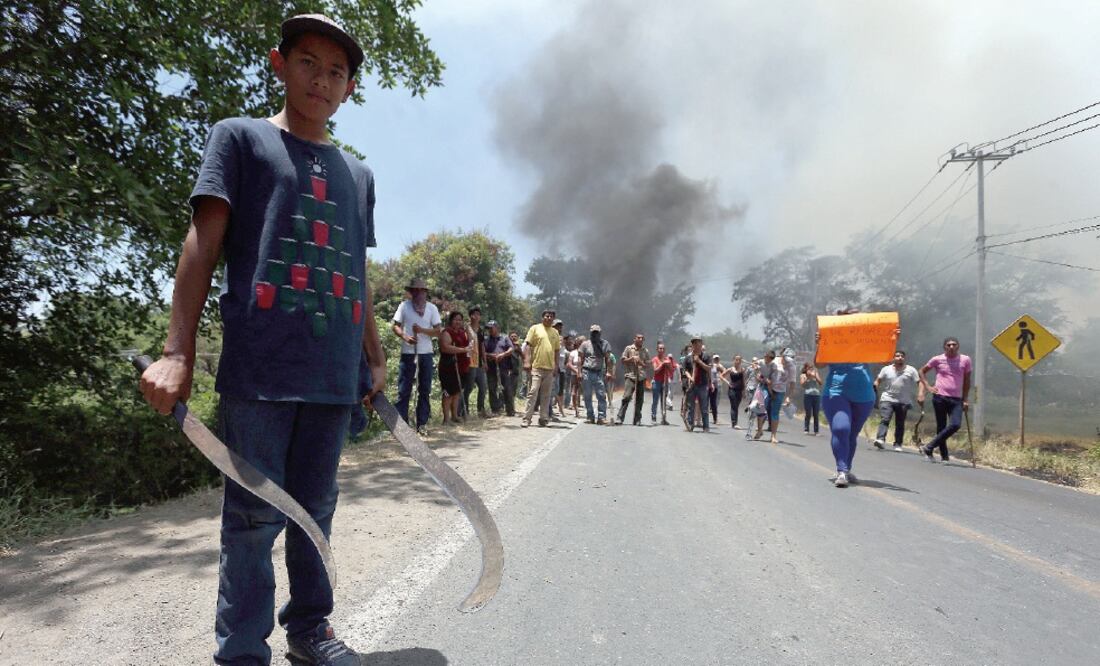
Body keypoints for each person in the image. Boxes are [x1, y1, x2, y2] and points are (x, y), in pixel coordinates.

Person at [138, 14, 380, 663]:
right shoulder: (240, 139)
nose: (320, 80)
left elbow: (355, 273)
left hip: (331, 378)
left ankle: (310, 629)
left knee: (315, 513)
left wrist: (374, 359)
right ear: (279, 63)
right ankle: (243, 650)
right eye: (308, 62)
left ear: (349, 89)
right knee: (250, 522)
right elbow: (204, 243)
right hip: (261, 370)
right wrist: (176, 353)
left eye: (336, 72)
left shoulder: (358, 175)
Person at [816, 308, 893, 488]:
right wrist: (821, 344)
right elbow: (819, 364)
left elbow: (884, 360)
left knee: (851, 435)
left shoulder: (865, 338)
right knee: (841, 428)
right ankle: (841, 470)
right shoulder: (833, 335)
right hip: (836, 392)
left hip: (864, 395)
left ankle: (847, 468)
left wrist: (891, 338)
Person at [392, 278, 441, 435]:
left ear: (426, 292)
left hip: (426, 353)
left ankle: (422, 424)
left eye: (421, 290)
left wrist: (422, 331)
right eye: (415, 290)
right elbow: (395, 326)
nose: (418, 293)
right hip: (408, 353)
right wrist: (406, 337)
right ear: (411, 292)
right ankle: (401, 428)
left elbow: (438, 331)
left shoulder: (432, 309)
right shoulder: (404, 306)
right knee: (404, 389)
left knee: (424, 389)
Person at [918, 337, 972, 463]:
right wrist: (927, 387)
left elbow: (967, 380)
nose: (951, 347)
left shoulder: (965, 360)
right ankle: (944, 456)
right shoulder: (937, 359)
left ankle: (928, 447)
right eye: (949, 345)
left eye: (954, 344)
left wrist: (965, 399)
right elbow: (921, 371)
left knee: (955, 424)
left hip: (956, 399)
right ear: (944, 347)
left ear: (958, 346)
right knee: (941, 427)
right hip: (940, 397)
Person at [873, 351, 921, 451]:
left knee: (900, 423)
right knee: (885, 419)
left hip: (903, 401)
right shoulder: (886, 369)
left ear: (905, 358)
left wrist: (920, 394)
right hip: (887, 398)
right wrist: (875, 385)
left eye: (902, 356)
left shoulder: (911, 370)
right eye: (897, 356)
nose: (900, 358)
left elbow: (919, 382)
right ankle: (880, 439)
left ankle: (898, 444)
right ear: (893, 358)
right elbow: (878, 380)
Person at [521, 309, 561, 427]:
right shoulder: (535, 328)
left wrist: (556, 366)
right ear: (542, 317)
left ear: (553, 319)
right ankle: (526, 419)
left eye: (551, 317)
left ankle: (543, 418)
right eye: (547, 316)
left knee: (546, 395)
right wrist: (527, 361)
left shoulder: (555, 332)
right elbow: (528, 345)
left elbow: (557, 350)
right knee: (532, 392)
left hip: (549, 369)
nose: (549, 318)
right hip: (536, 367)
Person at [439, 311, 472, 425]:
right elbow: (445, 348)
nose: (458, 322)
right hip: (449, 367)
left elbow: (470, 344)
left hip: (462, 367)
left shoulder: (462, 332)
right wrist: (463, 350)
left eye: (460, 320)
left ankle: (455, 416)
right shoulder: (446, 332)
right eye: (455, 319)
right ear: (451, 320)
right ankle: (446, 419)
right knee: (448, 393)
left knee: (457, 392)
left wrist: (468, 330)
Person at [578, 324, 613, 424]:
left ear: (600, 333)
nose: (595, 335)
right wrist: (579, 372)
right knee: (587, 395)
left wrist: (609, 372)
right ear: (590, 333)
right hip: (587, 372)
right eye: (593, 333)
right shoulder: (585, 344)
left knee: (601, 395)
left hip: (598, 373)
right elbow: (580, 359)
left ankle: (601, 417)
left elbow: (608, 359)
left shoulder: (605, 344)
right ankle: (590, 416)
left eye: (597, 333)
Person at [616, 333, 651, 426]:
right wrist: (631, 359)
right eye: (638, 338)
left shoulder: (645, 351)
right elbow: (622, 360)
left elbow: (648, 365)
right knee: (626, 397)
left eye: (642, 338)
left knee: (639, 399)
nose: (640, 340)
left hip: (641, 377)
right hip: (630, 376)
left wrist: (641, 362)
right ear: (634, 339)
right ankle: (620, 417)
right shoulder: (628, 348)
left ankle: (637, 419)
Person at [462, 306, 489, 418]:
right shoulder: (466, 329)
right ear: (470, 316)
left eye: (478, 314)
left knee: (483, 387)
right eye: (474, 314)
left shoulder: (480, 330)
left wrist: (485, 361)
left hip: (479, 363)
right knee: (468, 388)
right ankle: (464, 411)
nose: (476, 316)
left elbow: (482, 346)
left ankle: (481, 410)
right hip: (469, 362)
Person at [484, 320, 514, 416]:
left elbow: (511, 349)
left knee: (507, 388)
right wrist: (491, 355)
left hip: (504, 367)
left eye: (491, 328)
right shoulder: (486, 340)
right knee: (492, 388)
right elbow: (482, 352)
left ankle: (510, 410)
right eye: (488, 329)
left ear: (497, 328)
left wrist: (503, 355)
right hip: (491, 367)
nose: (490, 330)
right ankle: (495, 409)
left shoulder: (505, 338)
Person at [685, 337, 711, 432]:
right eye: (695, 344)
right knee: (691, 406)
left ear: (701, 344)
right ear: (692, 345)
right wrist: (689, 377)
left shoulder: (706, 357)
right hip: (692, 385)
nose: (697, 345)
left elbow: (708, 368)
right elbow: (686, 371)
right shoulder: (688, 357)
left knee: (704, 407)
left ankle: (706, 426)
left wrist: (699, 361)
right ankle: (690, 424)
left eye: (699, 343)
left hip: (702, 385)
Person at [650, 342, 677, 425]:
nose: (661, 350)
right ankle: (654, 417)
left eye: (663, 349)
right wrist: (662, 364)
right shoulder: (655, 359)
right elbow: (656, 370)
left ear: (664, 350)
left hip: (664, 382)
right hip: (656, 382)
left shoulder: (667, 359)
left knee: (663, 401)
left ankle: (664, 418)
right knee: (655, 400)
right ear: (657, 350)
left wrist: (668, 365)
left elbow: (672, 370)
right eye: (660, 348)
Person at [721, 355, 746, 429]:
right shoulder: (730, 369)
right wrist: (728, 382)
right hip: (732, 389)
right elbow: (721, 376)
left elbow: (743, 380)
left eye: (739, 360)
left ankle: (734, 422)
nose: (737, 361)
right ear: (733, 360)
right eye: (736, 360)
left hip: (739, 390)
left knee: (736, 406)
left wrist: (744, 391)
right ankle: (734, 423)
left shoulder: (742, 369)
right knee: (734, 406)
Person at [800, 362, 822, 435]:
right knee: (808, 413)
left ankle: (816, 431)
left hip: (816, 395)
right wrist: (807, 378)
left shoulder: (815, 373)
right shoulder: (803, 375)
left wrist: (815, 376)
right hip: (808, 395)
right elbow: (802, 385)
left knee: (816, 413)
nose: (811, 369)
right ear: (806, 368)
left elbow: (820, 383)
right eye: (809, 368)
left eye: (811, 368)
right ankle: (806, 429)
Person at [567, 335, 585, 418]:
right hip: (575, 375)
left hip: (585, 374)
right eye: (581, 343)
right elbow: (569, 364)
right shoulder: (573, 353)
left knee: (585, 392)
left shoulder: (587, 353)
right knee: (574, 393)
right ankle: (576, 410)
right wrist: (577, 371)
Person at [708, 354, 723, 425]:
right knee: (705, 403)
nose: (715, 360)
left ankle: (715, 419)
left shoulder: (716, 366)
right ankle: (702, 418)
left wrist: (720, 377)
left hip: (715, 386)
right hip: (707, 386)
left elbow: (724, 371)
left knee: (713, 403)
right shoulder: (707, 365)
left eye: (717, 359)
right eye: (714, 359)